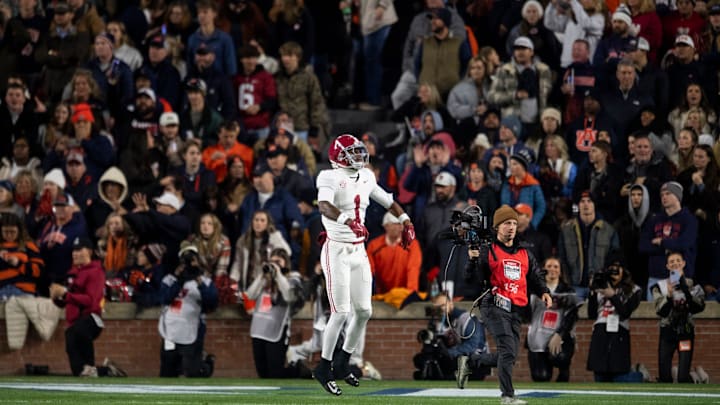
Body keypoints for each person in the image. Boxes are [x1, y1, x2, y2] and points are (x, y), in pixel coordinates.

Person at [312, 134, 415, 396]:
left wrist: (405, 220)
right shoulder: (328, 177)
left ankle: (343, 362)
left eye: (360, 152)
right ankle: (323, 367)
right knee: (341, 312)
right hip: (336, 249)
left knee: (364, 311)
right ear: (338, 156)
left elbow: (386, 199)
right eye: (353, 153)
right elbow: (324, 205)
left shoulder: (367, 176)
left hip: (358, 251)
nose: (359, 156)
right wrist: (347, 221)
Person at [456, 205, 552, 405]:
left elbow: (535, 274)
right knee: (508, 351)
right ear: (497, 227)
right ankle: (507, 396)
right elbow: (470, 279)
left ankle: (472, 360)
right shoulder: (487, 250)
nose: (512, 227)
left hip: (516, 309)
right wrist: (472, 261)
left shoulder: (525, 253)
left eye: (515, 223)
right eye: (507, 223)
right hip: (493, 306)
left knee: (508, 354)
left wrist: (544, 291)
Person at [50, 236, 125, 377]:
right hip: (75, 322)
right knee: (79, 371)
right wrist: (56, 297)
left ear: (89, 252)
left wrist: (65, 294)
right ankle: (104, 371)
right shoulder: (73, 273)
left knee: (75, 332)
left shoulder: (95, 272)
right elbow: (67, 301)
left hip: (91, 318)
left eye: (79, 250)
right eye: (74, 250)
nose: (75, 253)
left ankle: (93, 368)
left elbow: (91, 300)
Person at [158, 242, 218, 377]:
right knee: (167, 372)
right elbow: (164, 299)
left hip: (193, 331)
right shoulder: (169, 279)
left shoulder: (205, 281)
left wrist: (198, 280)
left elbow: (211, 303)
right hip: (170, 330)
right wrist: (179, 281)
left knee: (192, 372)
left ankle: (205, 367)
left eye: (192, 259)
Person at [246, 248, 304, 378]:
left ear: (285, 263)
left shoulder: (292, 278)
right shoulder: (265, 279)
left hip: (277, 330)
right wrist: (262, 276)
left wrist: (278, 275)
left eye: (278, 261)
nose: (274, 265)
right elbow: (250, 295)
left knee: (275, 373)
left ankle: (298, 370)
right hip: (259, 330)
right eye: (272, 262)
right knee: (262, 372)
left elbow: (290, 296)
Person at [586, 253, 643, 382]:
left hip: (619, 334)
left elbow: (625, 312)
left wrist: (612, 296)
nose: (614, 270)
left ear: (624, 270)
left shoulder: (634, 290)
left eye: (618, 267)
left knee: (619, 377)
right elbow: (591, 314)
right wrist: (592, 291)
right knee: (600, 376)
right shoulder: (599, 286)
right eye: (611, 267)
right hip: (600, 333)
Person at [651, 251, 705, 383]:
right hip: (667, 330)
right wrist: (669, 296)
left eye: (678, 260)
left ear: (684, 263)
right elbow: (660, 312)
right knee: (664, 376)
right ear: (667, 266)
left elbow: (698, 307)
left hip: (685, 330)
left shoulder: (693, 283)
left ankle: (694, 378)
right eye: (671, 261)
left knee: (683, 377)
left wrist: (685, 288)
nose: (675, 263)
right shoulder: (659, 286)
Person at [526, 257, 581, 382]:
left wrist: (559, 335)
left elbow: (572, 316)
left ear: (561, 271)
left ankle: (563, 372)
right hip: (538, 336)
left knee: (560, 358)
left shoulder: (568, 291)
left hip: (559, 336)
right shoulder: (533, 289)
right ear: (543, 269)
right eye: (549, 266)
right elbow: (524, 313)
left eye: (556, 266)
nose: (552, 269)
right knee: (540, 377)